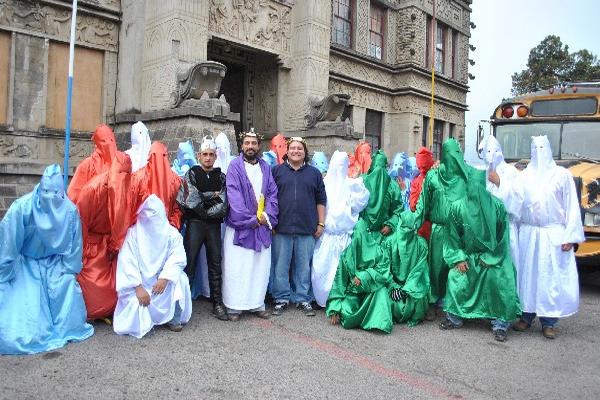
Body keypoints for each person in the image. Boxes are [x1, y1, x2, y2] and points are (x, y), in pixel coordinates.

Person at [0, 165, 94, 354]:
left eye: (55, 195)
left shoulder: (70, 211)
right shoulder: (21, 208)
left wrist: (70, 271)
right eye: (46, 193)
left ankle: (66, 327)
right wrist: (5, 274)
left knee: (67, 286)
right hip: (25, 263)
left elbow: (74, 248)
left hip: (55, 263)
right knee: (25, 314)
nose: (51, 199)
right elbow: (9, 245)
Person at [511, 135, 584, 339]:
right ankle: (526, 316)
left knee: (548, 278)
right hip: (529, 233)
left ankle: (549, 321)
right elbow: (515, 203)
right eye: (535, 148)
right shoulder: (524, 176)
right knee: (527, 277)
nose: (539, 151)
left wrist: (570, 236)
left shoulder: (561, 175)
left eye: (542, 147)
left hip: (553, 233)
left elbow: (571, 207)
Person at [439, 169, 521, 342]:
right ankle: (455, 317)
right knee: (456, 276)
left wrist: (491, 258)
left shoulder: (497, 206)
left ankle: (500, 323)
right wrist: (458, 258)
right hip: (467, 256)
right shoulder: (457, 207)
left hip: (493, 257)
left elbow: (502, 239)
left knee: (501, 278)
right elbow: (451, 238)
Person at [326, 150, 403, 333]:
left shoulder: (392, 187)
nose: (379, 174)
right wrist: (335, 305)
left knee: (382, 289)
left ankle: (380, 316)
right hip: (362, 231)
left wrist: (391, 225)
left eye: (382, 169)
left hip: (383, 235)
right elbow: (343, 271)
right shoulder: (361, 183)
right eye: (375, 168)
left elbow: (398, 209)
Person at [412, 139, 474, 320]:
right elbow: (424, 203)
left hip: (460, 231)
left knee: (457, 268)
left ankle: (453, 304)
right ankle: (433, 301)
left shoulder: (467, 176)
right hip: (439, 230)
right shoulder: (433, 176)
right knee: (436, 268)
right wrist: (412, 224)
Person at [113, 195, 192, 338]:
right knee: (133, 306)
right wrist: (137, 287)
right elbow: (127, 262)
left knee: (180, 279)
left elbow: (178, 258)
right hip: (140, 283)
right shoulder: (133, 235)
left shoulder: (172, 234)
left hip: (162, 282)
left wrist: (165, 278)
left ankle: (174, 318)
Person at [222, 130, 278, 321]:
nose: (250, 147)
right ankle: (234, 306)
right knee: (238, 267)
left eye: (254, 143)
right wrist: (251, 220)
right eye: (247, 143)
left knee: (259, 266)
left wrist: (265, 216)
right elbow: (234, 197)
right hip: (241, 227)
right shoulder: (234, 166)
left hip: (261, 224)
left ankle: (256, 304)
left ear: (259, 145)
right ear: (242, 145)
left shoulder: (266, 167)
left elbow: (272, 193)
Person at [73, 148, 133, 321]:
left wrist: (116, 243)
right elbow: (81, 222)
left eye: (127, 173)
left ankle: (109, 310)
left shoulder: (126, 185)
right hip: (92, 242)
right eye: (120, 172)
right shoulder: (92, 189)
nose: (124, 176)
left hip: (110, 242)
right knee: (93, 284)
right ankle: (92, 312)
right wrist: (83, 249)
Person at [271, 137, 327, 316]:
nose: (296, 151)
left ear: (305, 152)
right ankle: (281, 298)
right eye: (293, 148)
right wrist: (271, 221)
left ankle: (303, 298)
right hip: (281, 227)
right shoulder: (276, 171)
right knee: (281, 265)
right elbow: (269, 198)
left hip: (306, 228)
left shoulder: (314, 174)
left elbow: (321, 200)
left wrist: (320, 223)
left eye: (299, 149)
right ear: (286, 151)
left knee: (304, 266)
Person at [177, 136, 229, 321]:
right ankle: (182, 304)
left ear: (216, 157)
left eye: (211, 155)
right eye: (205, 154)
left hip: (213, 226)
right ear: (199, 155)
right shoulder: (191, 173)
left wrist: (203, 198)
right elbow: (190, 199)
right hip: (195, 225)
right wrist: (210, 197)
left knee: (215, 263)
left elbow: (223, 202)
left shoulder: (221, 176)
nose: (208, 158)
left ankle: (217, 303)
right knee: (189, 262)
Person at [311, 150, 369, 308]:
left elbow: (360, 202)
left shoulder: (350, 184)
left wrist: (357, 181)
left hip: (343, 237)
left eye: (342, 165)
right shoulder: (323, 183)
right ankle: (322, 299)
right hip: (326, 235)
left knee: (339, 270)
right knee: (321, 269)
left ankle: (337, 300)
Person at [480, 135, 524, 270]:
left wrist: (500, 183)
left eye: (494, 152)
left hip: (506, 229)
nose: (491, 156)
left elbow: (519, 200)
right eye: (488, 152)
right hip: (486, 230)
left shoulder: (511, 172)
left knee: (507, 266)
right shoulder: (481, 173)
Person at [133, 142, 183, 230]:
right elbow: (178, 208)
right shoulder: (175, 180)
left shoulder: (138, 177)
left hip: (143, 230)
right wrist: (172, 226)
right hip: (163, 229)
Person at [67, 124, 120, 203]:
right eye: (104, 141)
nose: (108, 144)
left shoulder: (119, 162)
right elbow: (74, 194)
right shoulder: (87, 165)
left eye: (111, 140)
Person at [408, 147, 435, 241]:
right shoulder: (417, 182)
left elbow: (413, 205)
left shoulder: (437, 178)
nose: (422, 170)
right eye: (420, 167)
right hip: (425, 227)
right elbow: (412, 205)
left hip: (427, 227)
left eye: (424, 167)